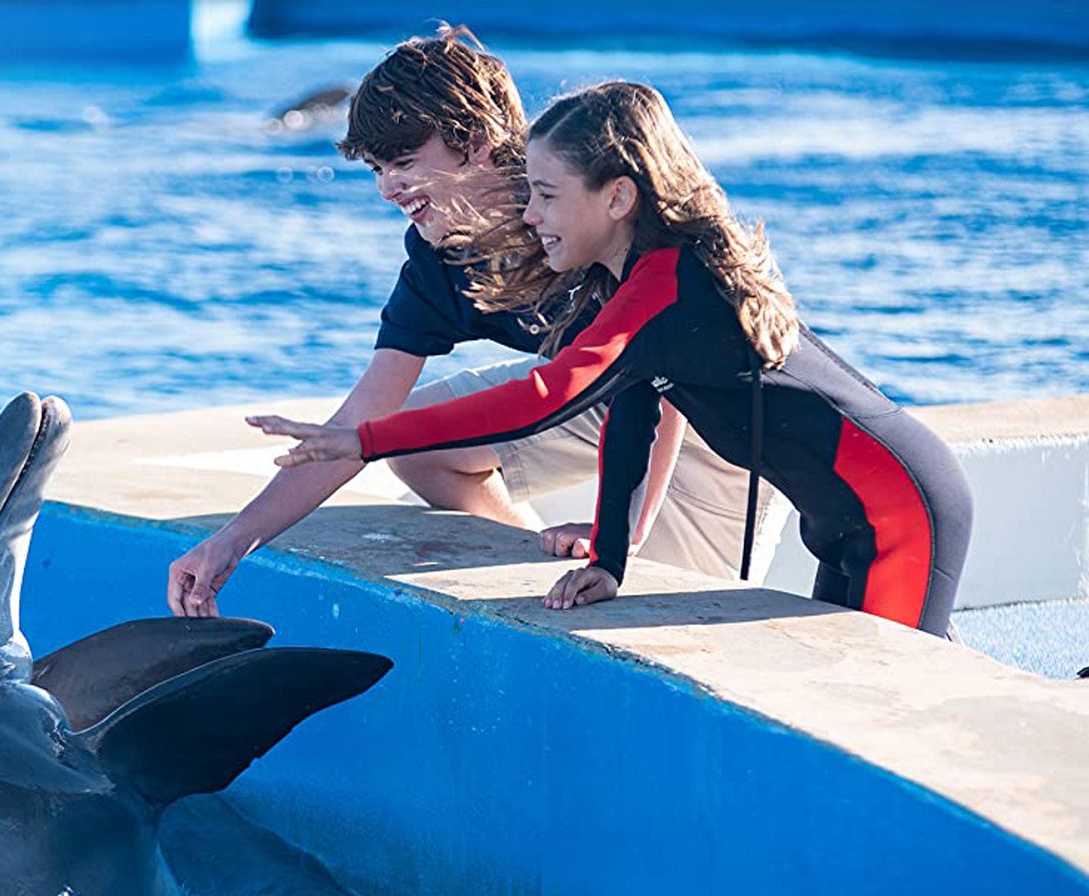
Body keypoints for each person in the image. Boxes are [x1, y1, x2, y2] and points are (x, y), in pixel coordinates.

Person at [249, 81, 974, 638]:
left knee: (904, 700)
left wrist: (366, 439)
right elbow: (632, 419)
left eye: (546, 194)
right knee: (857, 689)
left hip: (896, 507)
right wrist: (610, 560)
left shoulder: (670, 281)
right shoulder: (634, 281)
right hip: (847, 516)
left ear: (619, 196)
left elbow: (546, 395)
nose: (528, 216)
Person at [167, 28, 779, 618]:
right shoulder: (438, 258)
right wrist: (233, 541)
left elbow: (665, 371)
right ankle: (539, 580)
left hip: (711, 416)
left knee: (674, 608)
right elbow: (363, 423)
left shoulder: (581, 212)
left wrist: (624, 531)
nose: (388, 188)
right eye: (377, 169)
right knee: (417, 444)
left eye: (404, 162)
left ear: (478, 138)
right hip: (595, 387)